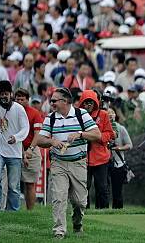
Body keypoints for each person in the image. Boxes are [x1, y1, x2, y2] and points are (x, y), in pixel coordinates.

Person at [36, 87, 101, 239]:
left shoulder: (81, 114)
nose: (51, 103)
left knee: (79, 202)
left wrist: (80, 134)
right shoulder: (50, 118)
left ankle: (77, 223)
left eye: (54, 101)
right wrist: (52, 141)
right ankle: (59, 231)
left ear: (65, 101)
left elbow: (97, 135)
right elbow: (39, 140)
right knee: (59, 197)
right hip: (58, 163)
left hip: (78, 163)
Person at [0, 80, 29, 211]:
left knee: (14, 185)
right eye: (0, 94)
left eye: (5, 94)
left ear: (11, 94)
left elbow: (25, 128)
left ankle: (13, 211)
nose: (3, 96)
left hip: (14, 152)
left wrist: (16, 137)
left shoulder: (18, 109)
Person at [78, 89, 115, 209]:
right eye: (86, 102)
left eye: (91, 102)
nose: (88, 105)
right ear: (82, 103)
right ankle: (85, 210)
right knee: (84, 187)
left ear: (95, 103)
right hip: (84, 157)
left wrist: (97, 137)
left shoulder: (103, 115)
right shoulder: (78, 116)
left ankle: (104, 212)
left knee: (102, 187)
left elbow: (110, 133)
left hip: (100, 158)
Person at [14, 88, 44, 210]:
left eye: (22, 99)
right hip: (14, 148)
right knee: (12, 184)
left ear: (27, 100)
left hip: (31, 147)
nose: (20, 101)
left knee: (30, 183)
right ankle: (12, 209)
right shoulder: (11, 112)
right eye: (18, 99)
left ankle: (30, 211)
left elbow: (38, 134)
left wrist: (30, 149)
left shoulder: (34, 113)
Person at [108, 109, 132, 209]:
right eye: (108, 114)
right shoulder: (99, 128)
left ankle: (118, 211)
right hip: (103, 163)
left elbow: (130, 145)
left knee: (117, 191)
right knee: (103, 189)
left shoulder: (120, 128)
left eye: (112, 114)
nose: (110, 116)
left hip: (118, 163)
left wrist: (119, 148)